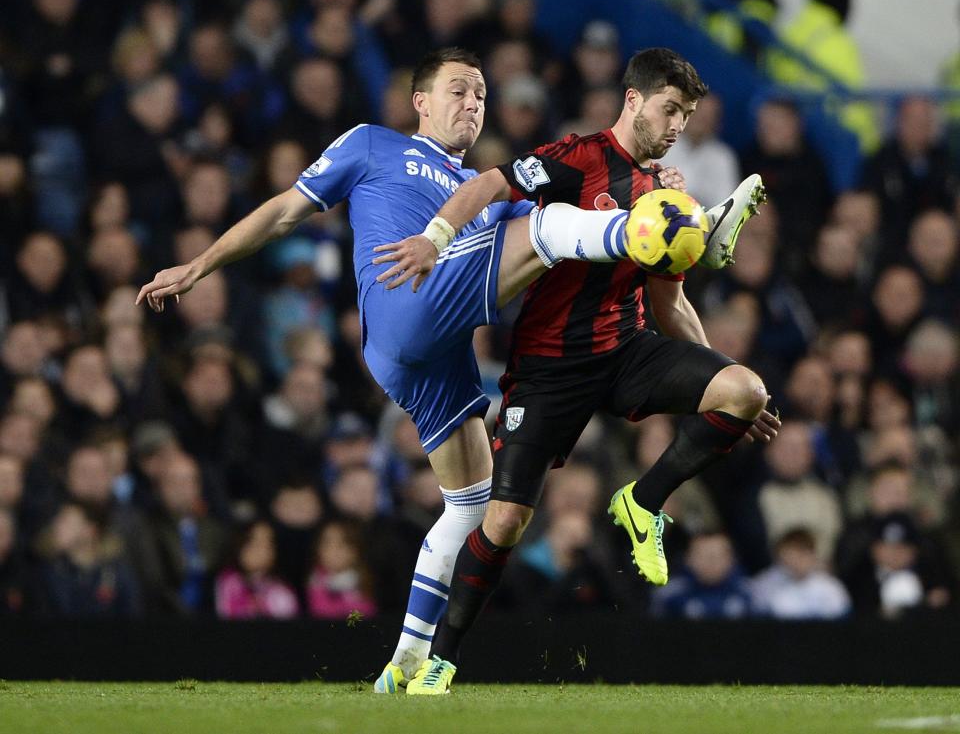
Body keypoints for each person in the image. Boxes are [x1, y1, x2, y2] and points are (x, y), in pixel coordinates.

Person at [137, 47, 756, 694]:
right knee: (547, 225)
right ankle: (673, 230)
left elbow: (576, 248)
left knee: (471, 504)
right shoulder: (374, 145)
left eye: (481, 94)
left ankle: (404, 659)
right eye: (459, 90)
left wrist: (660, 204)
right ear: (420, 101)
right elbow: (286, 209)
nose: (473, 104)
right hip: (407, 300)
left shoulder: (486, 203)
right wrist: (200, 264)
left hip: (429, 356)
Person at [376, 47, 779, 694]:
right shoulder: (575, 157)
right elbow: (487, 184)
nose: (677, 125)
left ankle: (642, 502)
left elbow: (669, 301)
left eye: (688, 114)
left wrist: (720, 378)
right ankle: (437, 660)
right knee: (503, 521)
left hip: (626, 351)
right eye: (669, 108)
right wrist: (435, 238)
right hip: (548, 370)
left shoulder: (660, 195)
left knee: (747, 388)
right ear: (632, 99)